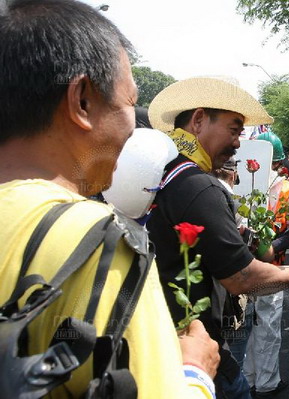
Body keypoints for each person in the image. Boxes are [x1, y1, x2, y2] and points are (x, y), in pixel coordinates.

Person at [0, 1, 220, 398]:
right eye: (129, 102)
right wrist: (195, 372)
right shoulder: (97, 242)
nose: (131, 129)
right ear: (82, 101)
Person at [146, 77, 289, 399]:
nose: (237, 144)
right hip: (196, 349)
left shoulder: (160, 174)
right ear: (199, 120)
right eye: (233, 130)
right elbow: (243, 278)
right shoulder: (198, 186)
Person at [243, 131, 289, 398]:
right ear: (278, 160)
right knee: (266, 325)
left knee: (241, 327)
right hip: (272, 269)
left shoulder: (235, 183)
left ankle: (246, 378)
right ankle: (266, 382)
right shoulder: (287, 189)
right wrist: (276, 247)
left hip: (239, 268)